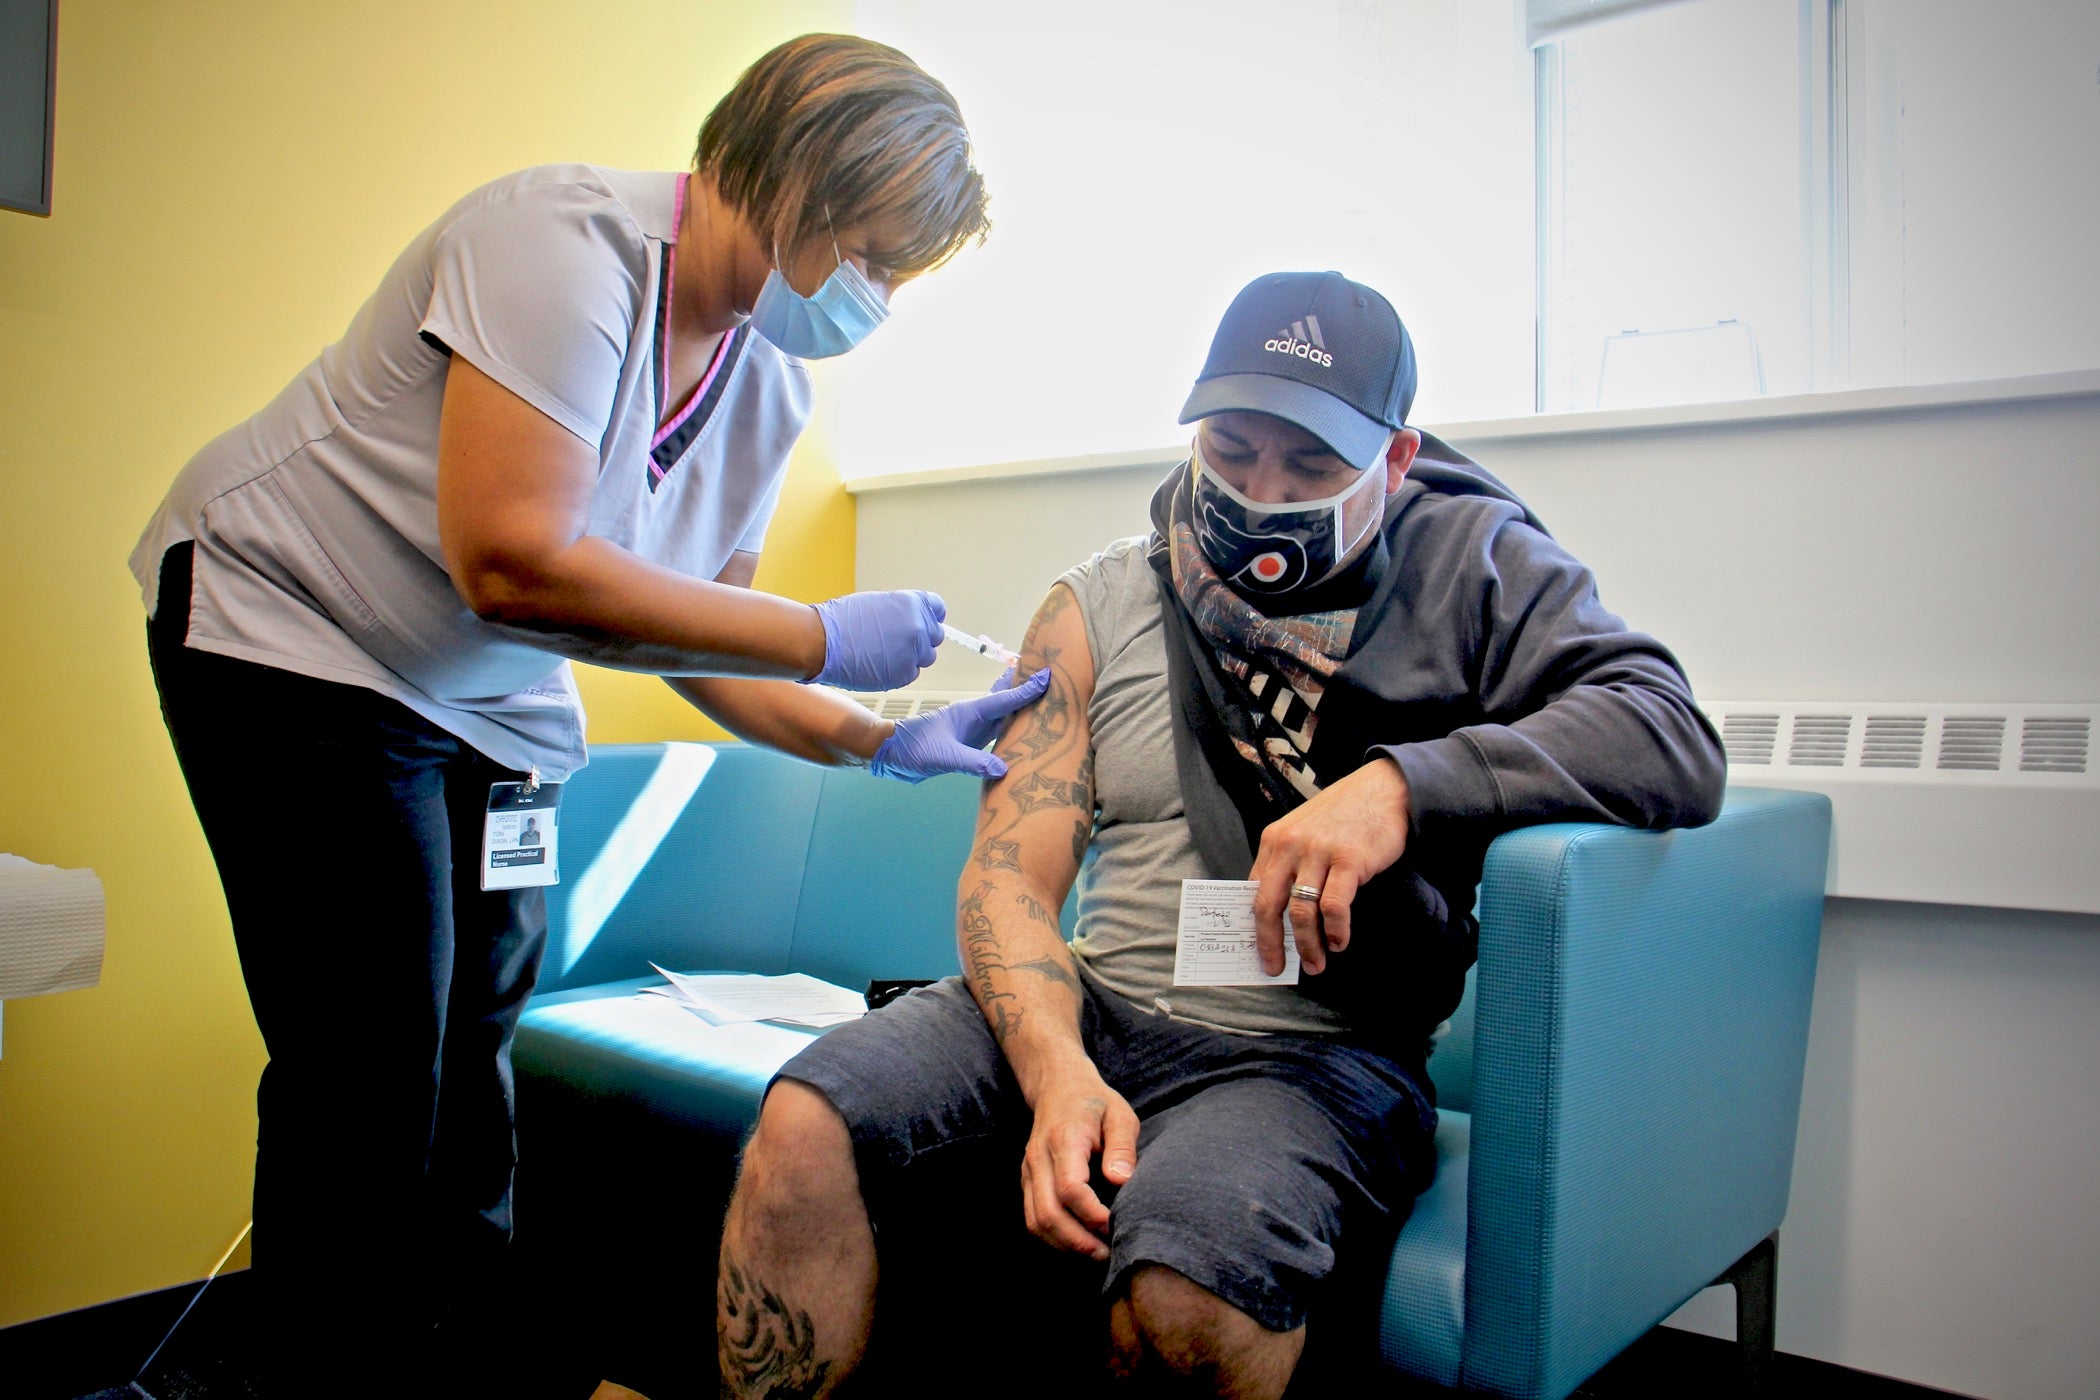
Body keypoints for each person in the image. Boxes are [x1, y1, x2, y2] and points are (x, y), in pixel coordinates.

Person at [131, 33, 1041, 1393]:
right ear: (792, 183)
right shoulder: (557, 247)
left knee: (477, 1056)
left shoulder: (769, 380)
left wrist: (879, 736)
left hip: (484, 694)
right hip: (294, 630)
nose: (879, 298)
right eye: (876, 254)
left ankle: (460, 1372)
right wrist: (821, 635)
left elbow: (692, 637)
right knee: (372, 1074)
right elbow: (512, 557)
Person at [714, 271, 1729, 1397]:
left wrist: (1398, 787)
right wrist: (1057, 1074)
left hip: (1316, 1055)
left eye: (1310, 465)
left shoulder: (1476, 571)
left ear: (1395, 461)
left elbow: (1668, 734)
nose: (1260, 489)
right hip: (1094, 1005)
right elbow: (1007, 882)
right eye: (1232, 449)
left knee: (1188, 1285)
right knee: (804, 1124)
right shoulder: (1093, 604)